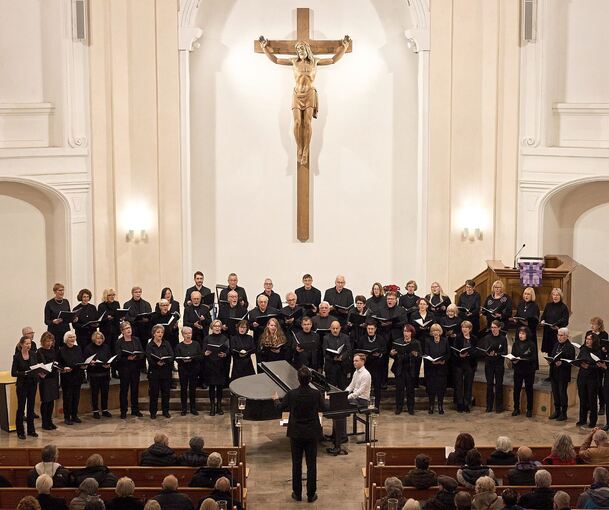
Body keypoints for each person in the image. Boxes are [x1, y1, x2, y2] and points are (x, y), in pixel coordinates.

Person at [259, 36, 350, 165]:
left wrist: (344, 47)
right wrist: (264, 48)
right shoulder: (294, 62)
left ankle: (306, 150)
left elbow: (333, 60)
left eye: (302, 48)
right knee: (296, 123)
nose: (300, 51)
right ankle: (299, 149)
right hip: (297, 94)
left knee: (307, 123)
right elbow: (276, 60)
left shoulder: (315, 62)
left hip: (309, 94)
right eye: (298, 49)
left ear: (307, 49)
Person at [273, 366, 324, 503]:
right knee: (311, 464)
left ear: (298, 379)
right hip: (311, 432)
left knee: (296, 464)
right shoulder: (316, 393)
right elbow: (324, 408)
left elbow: (280, 408)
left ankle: (297, 493)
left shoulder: (291, 394)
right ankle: (311, 494)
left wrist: (276, 399)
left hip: (296, 432)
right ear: (310, 379)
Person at [353, 319, 386, 409]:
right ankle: (363, 406)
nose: (370, 330)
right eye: (368, 329)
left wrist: (379, 354)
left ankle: (376, 406)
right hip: (366, 367)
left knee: (377, 387)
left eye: (372, 329)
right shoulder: (362, 339)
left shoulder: (380, 339)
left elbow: (384, 350)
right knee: (363, 387)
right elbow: (358, 351)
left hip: (377, 366)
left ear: (375, 329)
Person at [12, 336, 40, 439]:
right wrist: (24, 373)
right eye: (27, 344)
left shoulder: (33, 354)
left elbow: (35, 367)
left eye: (30, 343)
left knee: (30, 408)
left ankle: (31, 430)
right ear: (21, 344)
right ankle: (20, 431)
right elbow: (13, 373)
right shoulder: (17, 357)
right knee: (21, 408)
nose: (29, 345)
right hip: (22, 385)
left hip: (32, 384)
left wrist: (39, 372)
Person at [115, 321, 144, 419]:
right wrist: (127, 358)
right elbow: (118, 357)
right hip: (124, 369)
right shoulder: (119, 342)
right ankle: (123, 411)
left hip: (135, 368)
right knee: (124, 390)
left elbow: (142, 353)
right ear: (122, 331)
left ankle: (135, 410)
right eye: (126, 328)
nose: (129, 330)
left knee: (135, 390)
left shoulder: (136, 340)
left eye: (129, 327)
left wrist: (136, 357)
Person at [390, 324, 421, 415]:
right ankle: (399, 408)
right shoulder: (397, 341)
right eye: (404, 331)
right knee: (399, 390)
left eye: (408, 331)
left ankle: (411, 408)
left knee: (410, 390)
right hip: (400, 368)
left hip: (410, 369)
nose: (406, 333)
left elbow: (419, 356)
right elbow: (392, 354)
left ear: (411, 333)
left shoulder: (416, 343)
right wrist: (392, 354)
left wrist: (416, 355)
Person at [145, 324, 174, 419]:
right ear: (153, 333)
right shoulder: (150, 345)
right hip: (154, 372)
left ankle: (165, 411)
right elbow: (149, 358)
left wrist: (164, 362)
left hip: (165, 372)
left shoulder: (167, 343)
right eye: (158, 332)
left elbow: (171, 356)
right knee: (154, 393)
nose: (160, 334)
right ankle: (153, 412)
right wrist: (157, 363)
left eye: (161, 332)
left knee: (166, 393)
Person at [478, 320, 507, 413]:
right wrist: (488, 353)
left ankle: (499, 407)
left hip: (498, 364)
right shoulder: (487, 338)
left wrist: (497, 354)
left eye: (495, 327)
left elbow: (505, 352)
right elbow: (484, 350)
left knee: (499, 385)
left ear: (499, 328)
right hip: (489, 364)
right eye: (492, 327)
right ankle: (489, 406)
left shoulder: (503, 338)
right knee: (489, 385)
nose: (493, 329)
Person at [202, 320, 229, 416]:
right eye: (215, 326)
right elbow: (203, 351)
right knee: (212, 387)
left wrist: (225, 354)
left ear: (221, 327)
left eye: (218, 326)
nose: (217, 328)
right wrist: (205, 353)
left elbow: (228, 350)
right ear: (211, 327)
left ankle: (219, 406)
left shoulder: (224, 338)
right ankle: (212, 407)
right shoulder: (207, 338)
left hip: (221, 365)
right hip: (210, 365)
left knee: (220, 387)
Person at [548, 327, 576, 421]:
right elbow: (553, 356)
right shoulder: (556, 344)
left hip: (563, 374)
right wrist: (550, 361)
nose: (559, 337)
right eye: (558, 335)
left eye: (561, 335)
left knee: (562, 393)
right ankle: (557, 411)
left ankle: (563, 413)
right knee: (555, 393)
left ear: (566, 336)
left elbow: (571, 361)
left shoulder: (570, 347)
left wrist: (562, 363)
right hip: (554, 372)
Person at [84, 331, 113, 419]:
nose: (99, 340)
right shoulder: (88, 348)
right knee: (94, 393)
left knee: (105, 392)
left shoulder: (106, 347)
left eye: (100, 338)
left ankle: (104, 409)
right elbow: (85, 361)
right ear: (94, 339)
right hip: (94, 374)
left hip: (105, 373)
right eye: (97, 338)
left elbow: (110, 358)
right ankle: (95, 410)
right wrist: (90, 363)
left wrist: (109, 364)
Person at [58, 331, 84, 425]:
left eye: (73, 337)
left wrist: (83, 365)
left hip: (77, 376)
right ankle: (67, 417)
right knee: (67, 397)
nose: (72, 339)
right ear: (66, 339)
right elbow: (58, 363)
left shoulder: (78, 348)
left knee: (76, 397)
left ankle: (74, 415)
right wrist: (64, 368)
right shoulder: (62, 350)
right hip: (67, 377)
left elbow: (81, 360)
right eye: (70, 337)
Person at [511, 326, 537, 417]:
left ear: (527, 334)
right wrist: (513, 360)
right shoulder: (515, 344)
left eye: (523, 333)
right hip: (518, 369)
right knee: (516, 389)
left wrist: (523, 358)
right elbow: (512, 355)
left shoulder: (531, 344)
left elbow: (534, 357)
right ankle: (516, 408)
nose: (520, 335)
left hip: (528, 369)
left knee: (529, 389)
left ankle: (529, 409)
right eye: (520, 333)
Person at [576, 332, 601, 428]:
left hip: (592, 379)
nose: (587, 340)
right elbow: (578, 359)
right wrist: (579, 364)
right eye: (586, 338)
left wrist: (589, 366)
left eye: (589, 339)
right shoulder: (583, 349)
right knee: (582, 399)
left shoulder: (598, 351)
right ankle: (582, 420)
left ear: (594, 340)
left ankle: (593, 421)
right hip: (582, 377)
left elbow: (600, 366)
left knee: (592, 400)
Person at [175, 326, 201, 416]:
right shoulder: (179, 346)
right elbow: (176, 357)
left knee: (193, 389)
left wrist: (192, 359)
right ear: (182, 335)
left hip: (193, 369)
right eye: (186, 333)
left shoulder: (196, 344)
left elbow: (199, 356)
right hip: (183, 369)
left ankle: (193, 408)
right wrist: (183, 360)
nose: (188, 335)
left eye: (189, 333)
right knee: (183, 389)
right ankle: (184, 408)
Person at [424, 323, 450, 414]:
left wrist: (442, 361)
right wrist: (432, 361)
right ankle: (431, 406)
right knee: (431, 388)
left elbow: (448, 354)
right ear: (431, 332)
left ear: (440, 332)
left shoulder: (445, 340)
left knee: (441, 388)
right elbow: (426, 353)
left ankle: (440, 405)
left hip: (442, 368)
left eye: (437, 330)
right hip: (431, 368)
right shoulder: (428, 341)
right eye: (434, 331)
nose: (436, 332)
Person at [453, 320, 477, 413]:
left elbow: (476, 351)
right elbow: (454, 350)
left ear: (470, 329)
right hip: (459, 363)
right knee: (459, 384)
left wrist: (470, 353)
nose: (464, 329)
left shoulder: (474, 338)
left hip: (469, 364)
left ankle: (467, 404)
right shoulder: (458, 338)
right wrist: (459, 355)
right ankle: (459, 404)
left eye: (466, 327)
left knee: (468, 384)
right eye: (463, 327)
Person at [511, 287, 540, 356]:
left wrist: (527, 322)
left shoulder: (535, 306)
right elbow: (517, 314)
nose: (526, 296)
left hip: (529, 332)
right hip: (520, 330)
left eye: (528, 294)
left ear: (532, 295)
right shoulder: (521, 304)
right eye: (525, 294)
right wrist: (515, 319)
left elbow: (535, 320)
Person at [322, 320, 352, 390]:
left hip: (342, 367)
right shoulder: (326, 338)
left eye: (337, 328)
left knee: (343, 388)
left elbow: (349, 350)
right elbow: (324, 352)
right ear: (330, 328)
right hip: (331, 367)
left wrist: (342, 357)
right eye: (333, 328)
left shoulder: (345, 337)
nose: (335, 330)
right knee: (331, 388)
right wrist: (333, 358)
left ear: (340, 328)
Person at [540, 288, 570, 355]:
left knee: (556, 352)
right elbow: (543, 316)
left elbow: (565, 320)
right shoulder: (548, 305)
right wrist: (542, 320)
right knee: (549, 353)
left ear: (560, 296)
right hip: (548, 332)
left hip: (557, 333)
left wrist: (558, 327)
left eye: (557, 295)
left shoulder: (563, 307)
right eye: (554, 295)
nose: (555, 296)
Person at [44, 283, 72, 351]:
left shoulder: (66, 302)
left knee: (66, 349)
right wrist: (53, 321)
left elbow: (69, 315)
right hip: (54, 331)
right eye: (59, 290)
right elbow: (46, 321)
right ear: (55, 292)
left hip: (65, 329)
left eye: (63, 290)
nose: (62, 292)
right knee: (55, 350)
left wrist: (73, 317)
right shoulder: (49, 303)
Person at [590, 317, 609, 417]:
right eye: (591, 324)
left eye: (594, 324)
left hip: (600, 362)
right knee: (590, 384)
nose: (592, 326)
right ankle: (590, 404)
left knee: (599, 385)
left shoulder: (604, 334)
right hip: (591, 361)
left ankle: (602, 405)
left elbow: (605, 348)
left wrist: (604, 349)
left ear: (599, 326)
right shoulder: (589, 332)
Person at [98, 288, 122, 355]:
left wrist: (121, 317)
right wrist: (107, 318)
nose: (112, 297)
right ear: (106, 296)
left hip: (115, 330)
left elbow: (117, 316)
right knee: (106, 349)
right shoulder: (101, 306)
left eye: (113, 295)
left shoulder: (116, 304)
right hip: (105, 330)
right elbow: (100, 319)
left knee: (115, 348)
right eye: (110, 295)